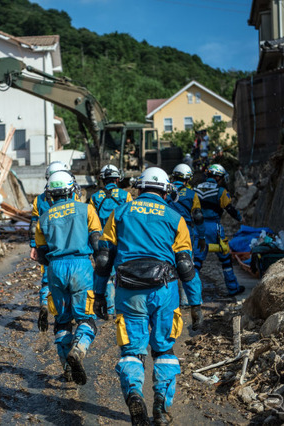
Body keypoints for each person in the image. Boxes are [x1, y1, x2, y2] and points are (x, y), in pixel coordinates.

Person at [94, 167, 195, 426]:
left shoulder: (120, 213)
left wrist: (99, 295)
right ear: (165, 190)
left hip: (128, 292)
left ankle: (134, 392)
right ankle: (161, 404)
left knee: (132, 350)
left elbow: (104, 259)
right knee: (164, 349)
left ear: (139, 188)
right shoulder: (175, 217)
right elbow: (185, 265)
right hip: (164, 291)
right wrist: (196, 303)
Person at [34, 170, 102, 385]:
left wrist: (54, 267)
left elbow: (41, 253)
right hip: (81, 266)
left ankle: (67, 368)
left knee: (62, 322)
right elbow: (97, 243)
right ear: (72, 189)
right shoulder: (87, 210)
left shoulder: (43, 218)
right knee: (86, 318)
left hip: (55, 268)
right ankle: (79, 348)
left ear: (51, 194)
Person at [29, 161, 80, 333]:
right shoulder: (73, 196)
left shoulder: (39, 199)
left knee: (47, 277)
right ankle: (69, 314)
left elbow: (34, 224)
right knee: (71, 283)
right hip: (68, 242)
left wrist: (34, 246)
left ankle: (44, 303)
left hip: (46, 242)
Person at [194, 164, 245, 296]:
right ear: (217, 177)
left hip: (198, 227)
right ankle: (232, 288)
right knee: (225, 259)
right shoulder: (220, 191)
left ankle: (192, 293)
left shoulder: (196, 189)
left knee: (197, 261)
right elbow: (229, 208)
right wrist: (240, 218)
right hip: (214, 228)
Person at [90, 164, 133, 317]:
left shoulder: (94, 197)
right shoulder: (125, 195)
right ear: (117, 179)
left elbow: (91, 222)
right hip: (121, 238)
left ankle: (107, 307)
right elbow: (130, 218)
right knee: (121, 273)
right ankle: (119, 309)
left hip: (102, 241)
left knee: (103, 272)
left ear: (102, 180)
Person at [167, 164, 206, 330]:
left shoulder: (165, 192)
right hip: (186, 232)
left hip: (167, 231)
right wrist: (202, 236)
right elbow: (197, 216)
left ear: (174, 177)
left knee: (167, 267)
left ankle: (170, 310)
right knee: (187, 266)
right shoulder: (192, 194)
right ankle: (195, 309)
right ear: (188, 178)